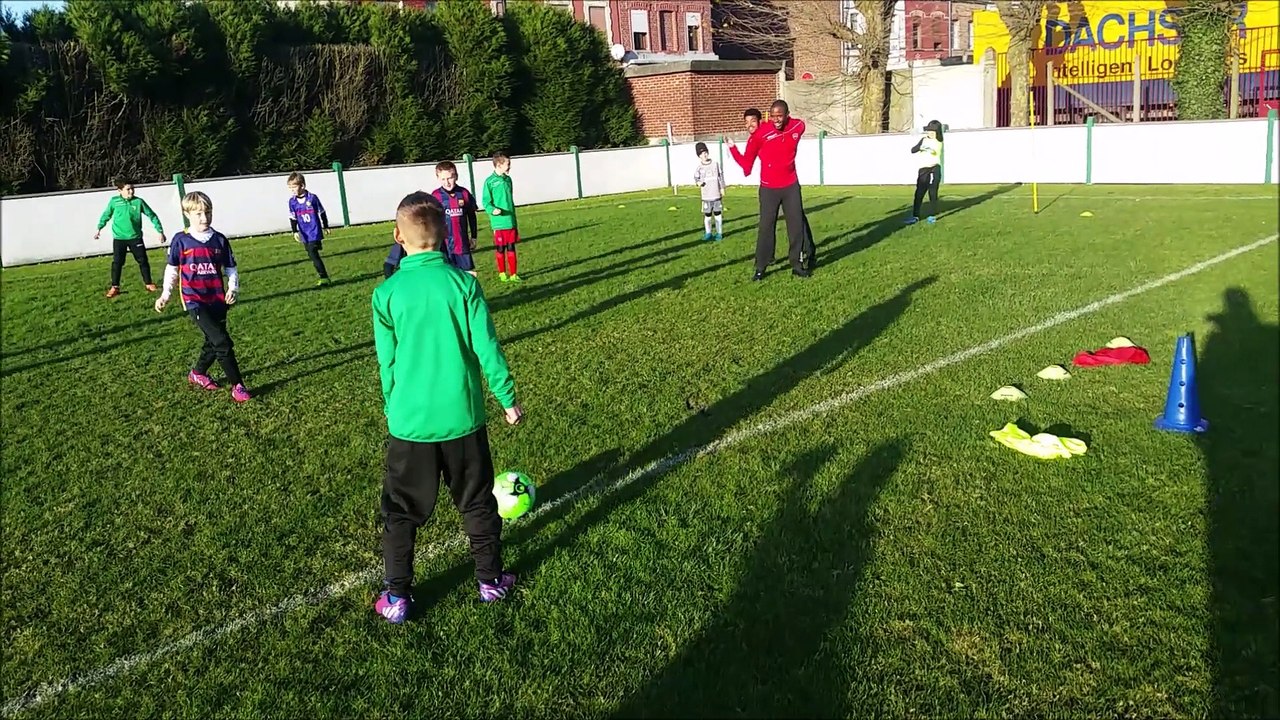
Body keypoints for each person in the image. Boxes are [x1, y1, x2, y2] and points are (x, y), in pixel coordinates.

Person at [371, 191, 525, 624]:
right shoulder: (464, 285)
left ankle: (398, 597)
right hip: (462, 419)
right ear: (444, 237)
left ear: (397, 236)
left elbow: (389, 363)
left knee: (400, 512)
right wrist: (507, 398)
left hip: (410, 424)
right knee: (476, 502)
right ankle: (490, 581)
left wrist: (393, 405)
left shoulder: (387, 294)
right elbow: (487, 349)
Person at [154, 191, 251, 403]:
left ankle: (198, 373)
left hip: (217, 299)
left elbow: (231, 268)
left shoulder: (219, 240)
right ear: (187, 214)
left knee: (212, 341)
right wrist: (165, 294)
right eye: (198, 213)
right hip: (194, 300)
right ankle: (238, 386)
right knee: (222, 342)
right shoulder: (181, 241)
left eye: (207, 212)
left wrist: (232, 289)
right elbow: (172, 269)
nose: (204, 218)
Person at [729, 99, 811, 280]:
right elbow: (746, 166)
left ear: (787, 115)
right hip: (769, 189)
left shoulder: (797, 126)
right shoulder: (760, 134)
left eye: (780, 116)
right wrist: (733, 149)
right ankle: (761, 267)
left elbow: (800, 124)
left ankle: (797, 264)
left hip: (790, 186)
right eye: (773, 116)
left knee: (796, 226)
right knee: (766, 228)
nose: (776, 120)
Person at [96, 177, 166, 298]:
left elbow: (152, 215)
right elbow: (106, 215)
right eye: (128, 189)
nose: (131, 191)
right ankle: (115, 287)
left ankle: (149, 283)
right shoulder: (114, 202)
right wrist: (99, 228)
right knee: (117, 262)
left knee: (143, 261)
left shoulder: (139, 202)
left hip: (135, 237)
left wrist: (160, 231)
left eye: (132, 188)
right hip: (119, 238)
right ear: (120, 190)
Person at [432, 161, 479, 277]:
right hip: (444, 246)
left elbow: (472, 216)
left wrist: (473, 236)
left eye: (450, 178)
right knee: (447, 278)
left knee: (468, 277)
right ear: (438, 178)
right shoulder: (435, 196)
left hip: (462, 244)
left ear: (456, 176)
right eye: (443, 179)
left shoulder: (464, 193)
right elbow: (431, 221)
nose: (447, 182)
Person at [481, 152, 521, 283]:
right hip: (498, 222)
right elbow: (486, 202)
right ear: (499, 165)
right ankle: (502, 273)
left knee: (511, 247)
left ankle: (514, 274)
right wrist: (493, 210)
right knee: (500, 248)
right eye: (508, 164)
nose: (510, 167)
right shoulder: (489, 182)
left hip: (510, 220)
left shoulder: (508, 179)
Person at [286, 172, 332, 285]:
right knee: (311, 254)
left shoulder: (312, 198)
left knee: (313, 253)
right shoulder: (292, 202)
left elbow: (322, 212)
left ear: (302, 186)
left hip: (314, 231)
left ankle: (324, 278)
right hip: (304, 233)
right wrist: (295, 231)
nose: (292, 190)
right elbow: (293, 217)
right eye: (290, 188)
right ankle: (323, 276)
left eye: (294, 187)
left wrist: (325, 226)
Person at [906, 120, 944, 225]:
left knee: (932, 193)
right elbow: (913, 150)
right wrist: (920, 147)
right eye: (929, 131)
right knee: (919, 193)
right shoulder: (923, 140)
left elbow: (934, 151)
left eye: (933, 131)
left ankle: (932, 216)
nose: (931, 133)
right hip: (923, 169)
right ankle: (915, 216)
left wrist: (927, 148)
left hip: (934, 168)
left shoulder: (939, 140)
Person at [693, 141, 726, 242]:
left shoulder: (715, 164)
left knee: (717, 214)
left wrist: (722, 188)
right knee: (707, 215)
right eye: (702, 153)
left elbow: (720, 177)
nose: (705, 155)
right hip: (706, 196)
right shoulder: (699, 168)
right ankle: (708, 233)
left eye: (706, 152)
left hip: (716, 195)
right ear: (699, 156)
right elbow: (696, 178)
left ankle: (719, 233)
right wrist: (698, 183)